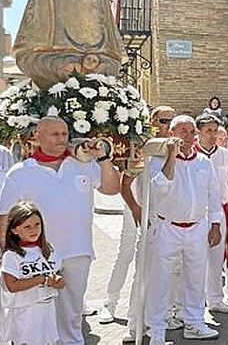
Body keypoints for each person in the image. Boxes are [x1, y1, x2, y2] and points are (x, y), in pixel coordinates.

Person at [0, 117, 121, 345]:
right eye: (55, 134)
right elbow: (5, 216)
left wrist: (102, 158)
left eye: (65, 134)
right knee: (36, 315)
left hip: (77, 251)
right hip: (35, 257)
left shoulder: (83, 164)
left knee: (72, 316)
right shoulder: (20, 172)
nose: (61, 139)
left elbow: (112, 189)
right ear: (37, 136)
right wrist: (8, 253)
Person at [143, 115, 222, 343]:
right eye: (183, 131)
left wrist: (215, 225)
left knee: (196, 278)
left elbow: (214, 195)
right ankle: (157, 329)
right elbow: (160, 188)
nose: (188, 136)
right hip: (167, 227)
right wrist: (171, 156)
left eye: (191, 131)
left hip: (197, 227)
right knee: (161, 279)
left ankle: (194, 323)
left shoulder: (204, 162)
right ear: (171, 134)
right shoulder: (157, 161)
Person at [98, 106, 175, 328]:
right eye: (162, 121)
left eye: (170, 121)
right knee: (126, 254)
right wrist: (135, 209)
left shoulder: (172, 147)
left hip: (158, 213)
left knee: (156, 263)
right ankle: (111, 302)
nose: (166, 126)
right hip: (136, 206)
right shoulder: (143, 146)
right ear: (152, 122)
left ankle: (161, 311)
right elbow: (126, 183)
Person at [195, 114, 228, 314]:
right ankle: (195, 302)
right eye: (208, 131)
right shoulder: (190, 154)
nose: (213, 135)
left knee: (216, 258)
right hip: (195, 213)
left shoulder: (226, 156)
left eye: (215, 130)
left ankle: (215, 298)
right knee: (195, 259)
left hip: (219, 212)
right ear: (198, 132)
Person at [1, 201, 65, 345]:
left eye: (37, 224)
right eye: (27, 227)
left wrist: (57, 281)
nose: (34, 230)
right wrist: (41, 279)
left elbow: (60, 280)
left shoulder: (48, 250)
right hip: (24, 315)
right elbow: (12, 286)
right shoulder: (11, 256)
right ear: (14, 230)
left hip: (47, 312)